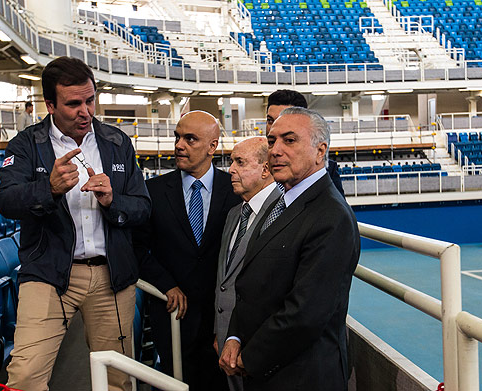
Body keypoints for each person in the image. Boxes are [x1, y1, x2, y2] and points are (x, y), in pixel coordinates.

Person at [0, 56, 150, 391]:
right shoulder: (26, 144)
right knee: (24, 378)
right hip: (49, 274)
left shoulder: (117, 142)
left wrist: (113, 202)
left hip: (112, 276)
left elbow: (142, 208)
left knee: (118, 380)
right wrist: (47, 189)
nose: (86, 111)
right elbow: (6, 201)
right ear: (50, 105)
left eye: (91, 100)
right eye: (74, 104)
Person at [219, 107, 360, 390]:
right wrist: (234, 336)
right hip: (268, 369)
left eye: (290, 140)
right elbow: (250, 283)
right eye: (272, 141)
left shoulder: (331, 216)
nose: (275, 150)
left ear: (320, 152)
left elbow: (306, 314)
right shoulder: (278, 202)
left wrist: (250, 356)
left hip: (302, 376)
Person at [135, 110, 241, 390]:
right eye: (177, 137)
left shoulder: (236, 192)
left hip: (221, 319)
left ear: (212, 146)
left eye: (190, 139)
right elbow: (137, 248)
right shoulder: (152, 191)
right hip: (172, 315)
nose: (179, 145)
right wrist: (166, 284)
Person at [213, 137, 281, 391]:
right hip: (228, 339)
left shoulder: (282, 213)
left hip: (257, 344)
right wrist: (221, 331)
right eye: (232, 161)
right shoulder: (235, 214)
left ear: (265, 169)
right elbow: (224, 279)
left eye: (240, 162)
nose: (230, 169)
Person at [266, 89, 345, 196]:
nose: (276, 126)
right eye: (270, 120)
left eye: (284, 119)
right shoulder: (247, 166)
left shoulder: (326, 169)